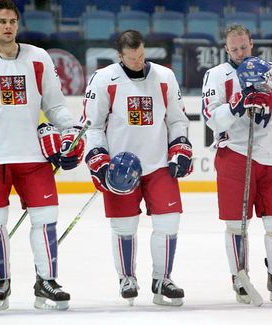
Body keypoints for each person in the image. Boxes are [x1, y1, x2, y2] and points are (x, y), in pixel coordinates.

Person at [0, 0, 85, 311]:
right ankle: (1, 281)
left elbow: (55, 106)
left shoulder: (38, 58)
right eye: (2, 21)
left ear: (18, 25)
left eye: (13, 21)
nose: (8, 26)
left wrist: (73, 129)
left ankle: (46, 280)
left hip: (33, 157)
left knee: (46, 218)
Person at [81, 29, 192, 306]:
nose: (138, 61)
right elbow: (92, 125)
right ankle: (127, 278)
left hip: (158, 164)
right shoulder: (104, 79)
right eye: (131, 58)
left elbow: (178, 119)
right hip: (120, 167)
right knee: (124, 226)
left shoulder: (164, 77)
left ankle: (162, 278)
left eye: (141, 55)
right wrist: (98, 159)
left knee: (169, 222)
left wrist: (180, 146)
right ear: (119, 56)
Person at [202, 24, 272, 304]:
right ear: (226, 49)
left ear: (252, 43)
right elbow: (211, 117)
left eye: (244, 47)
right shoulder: (216, 75)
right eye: (234, 49)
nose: (240, 52)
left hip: (271, 154)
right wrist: (236, 106)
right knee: (236, 224)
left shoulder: (271, 71)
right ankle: (240, 277)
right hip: (234, 153)